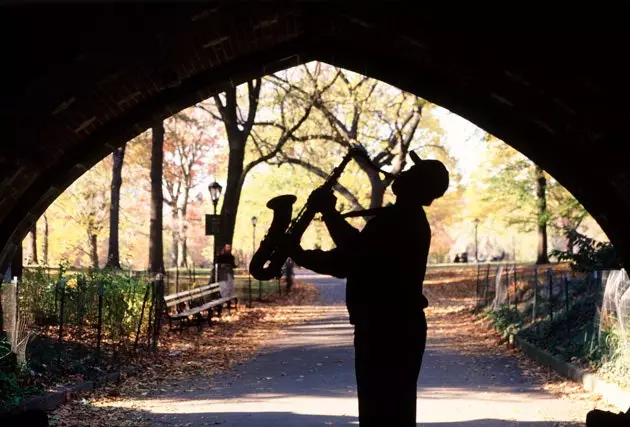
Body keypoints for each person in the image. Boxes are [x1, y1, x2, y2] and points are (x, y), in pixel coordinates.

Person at [290, 153, 449, 426]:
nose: (403, 174)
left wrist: (300, 252)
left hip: (387, 329)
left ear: (419, 187)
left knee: (381, 412)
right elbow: (358, 247)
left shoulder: (399, 221)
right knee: (390, 411)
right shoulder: (400, 218)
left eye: (412, 172)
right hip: (393, 327)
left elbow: (349, 260)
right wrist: (329, 215)